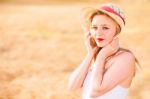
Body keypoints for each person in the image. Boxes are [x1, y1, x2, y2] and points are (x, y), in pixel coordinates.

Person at [68, 3, 137, 99]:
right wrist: (90, 54)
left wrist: (102, 55)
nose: (98, 33)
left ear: (117, 31)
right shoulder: (95, 57)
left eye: (105, 28)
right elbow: (72, 86)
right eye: (94, 28)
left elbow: (95, 92)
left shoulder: (125, 58)